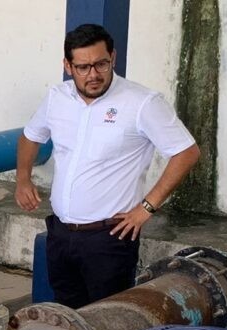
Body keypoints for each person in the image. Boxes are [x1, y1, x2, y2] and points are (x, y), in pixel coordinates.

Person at [16, 23, 200, 309]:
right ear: (67, 65)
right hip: (61, 233)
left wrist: (146, 208)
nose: (94, 74)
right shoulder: (57, 98)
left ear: (112, 58)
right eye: (83, 67)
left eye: (101, 64)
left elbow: (186, 152)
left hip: (109, 239)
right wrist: (23, 179)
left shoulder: (142, 103)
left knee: (108, 318)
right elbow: (30, 137)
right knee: (67, 313)